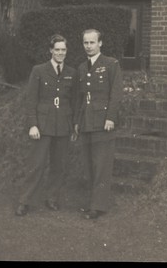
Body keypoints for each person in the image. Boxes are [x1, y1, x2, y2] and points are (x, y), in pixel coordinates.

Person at [15, 34, 77, 216]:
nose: (60, 53)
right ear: (51, 50)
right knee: (36, 164)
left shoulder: (71, 73)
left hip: (63, 126)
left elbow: (73, 102)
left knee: (59, 165)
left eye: (63, 50)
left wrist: (74, 125)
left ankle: (52, 198)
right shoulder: (39, 70)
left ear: (67, 51)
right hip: (42, 126)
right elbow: (31, 100)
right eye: (57, 49)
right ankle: (24, 201)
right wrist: (32, 125)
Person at [74, 29, 123, 219]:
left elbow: (116, 93)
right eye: (85, 43)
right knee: (89, 165)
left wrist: (110, 117)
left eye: (92, 42)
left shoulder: (111, 64)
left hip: (103, 122)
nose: (88, 46)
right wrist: (77, 122)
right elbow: (80, 97)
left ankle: (98, 206)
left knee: (101, 164)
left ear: (100, 43)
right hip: (86, 122)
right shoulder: (81, 67)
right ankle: (92, 203)